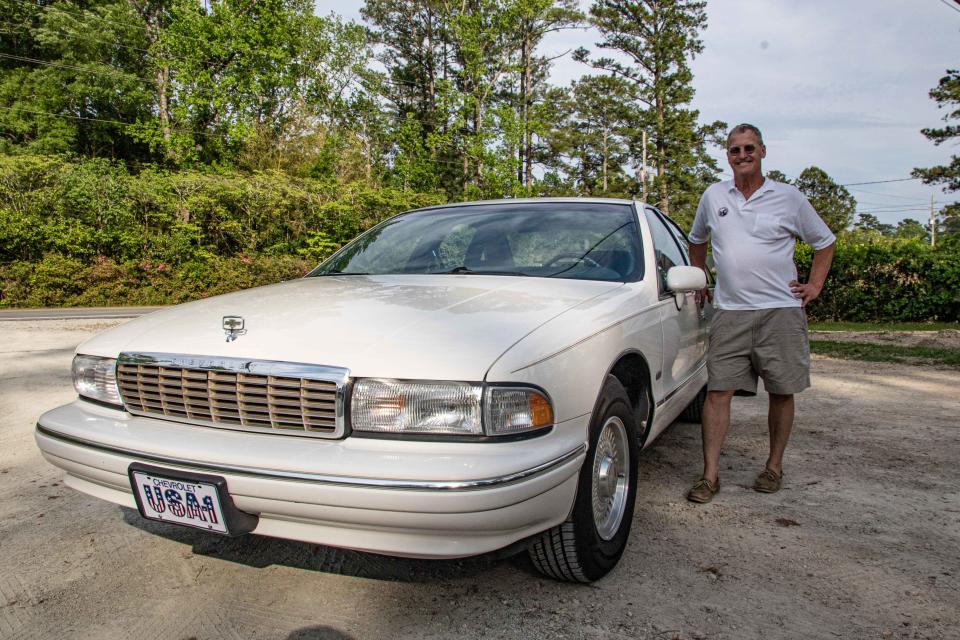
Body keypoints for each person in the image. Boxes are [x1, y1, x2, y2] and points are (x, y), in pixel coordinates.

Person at [685, 123, 836, 503]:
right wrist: (700, 278)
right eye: (735, 150)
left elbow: (824, 242)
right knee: (717, 392)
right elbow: (696, 240)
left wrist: (814, 287)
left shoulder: (788, 197)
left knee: (782, 391)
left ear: (763, 152)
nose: (742, 155)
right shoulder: (713, 196)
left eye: (749, 148)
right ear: (728, 155)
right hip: (731, 311)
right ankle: (709, 476)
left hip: (780, 312)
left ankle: (773, 467)